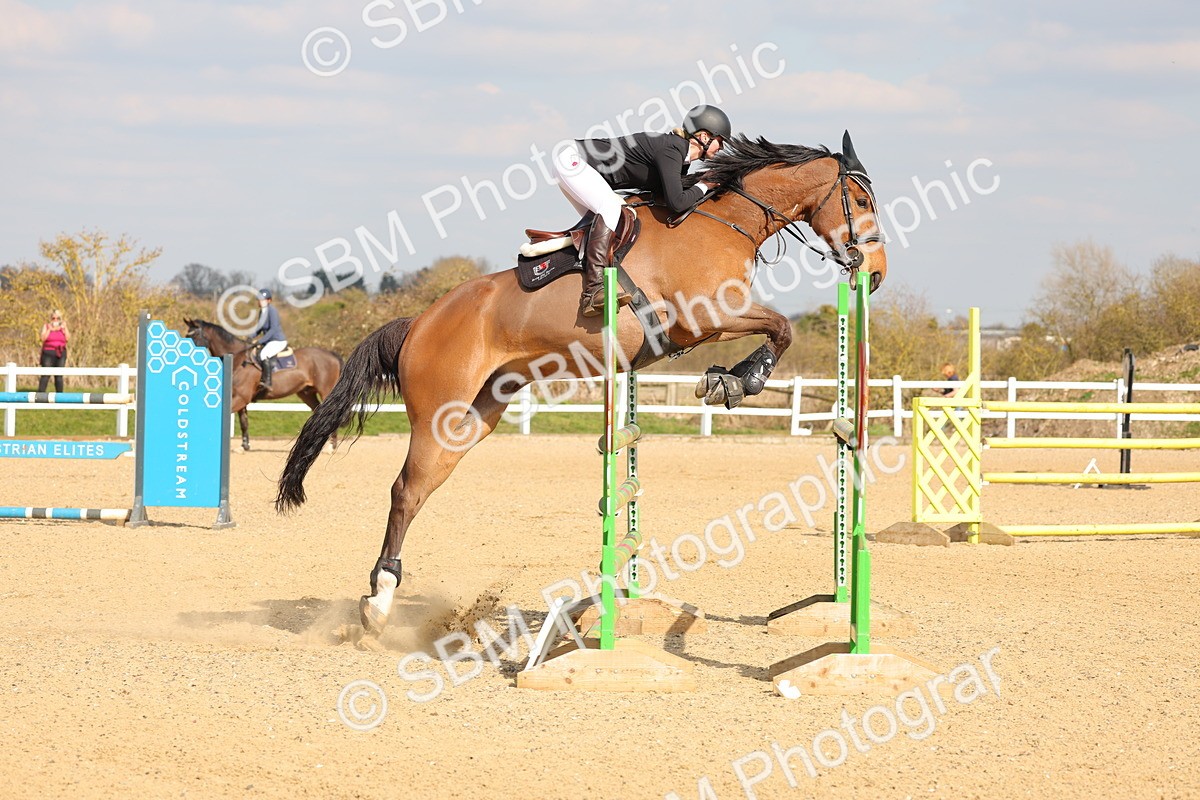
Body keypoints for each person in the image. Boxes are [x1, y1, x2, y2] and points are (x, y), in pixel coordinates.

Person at [554, 104, 732, 317]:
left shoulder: (679, 158)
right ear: (704, 136)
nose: (721, 148)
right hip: (572, 159)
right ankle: (593, 290)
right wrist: (705, 185)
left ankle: (571, 275)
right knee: (612, 208)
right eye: (720, 141)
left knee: (603, 222)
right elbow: (677, 203)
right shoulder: (673, 149)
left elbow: (668, 200)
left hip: (574, 162)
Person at [253, 289, 288, 391]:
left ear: (269, 300)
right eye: (259, 299)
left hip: (277, 341)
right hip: (269, 341)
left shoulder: (272, 311)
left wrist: (260, 341)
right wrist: (248, 338)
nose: (260, 301)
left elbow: (273, 329)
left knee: (264, 354)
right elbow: (258, 329)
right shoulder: (261, 312)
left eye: (263, 300)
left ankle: (268, 382)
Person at [37, 310, 70, 394]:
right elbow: (43, 338)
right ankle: (40, 394)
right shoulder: (47, 326)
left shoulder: (62, 328)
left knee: (59, 375)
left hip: (60, 352)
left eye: (58, 318)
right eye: (53, 318)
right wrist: (50, 330)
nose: (55, 320)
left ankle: (59, 395)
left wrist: (64, 328)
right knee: (46, 374)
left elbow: (67, 338)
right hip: (48, 352)